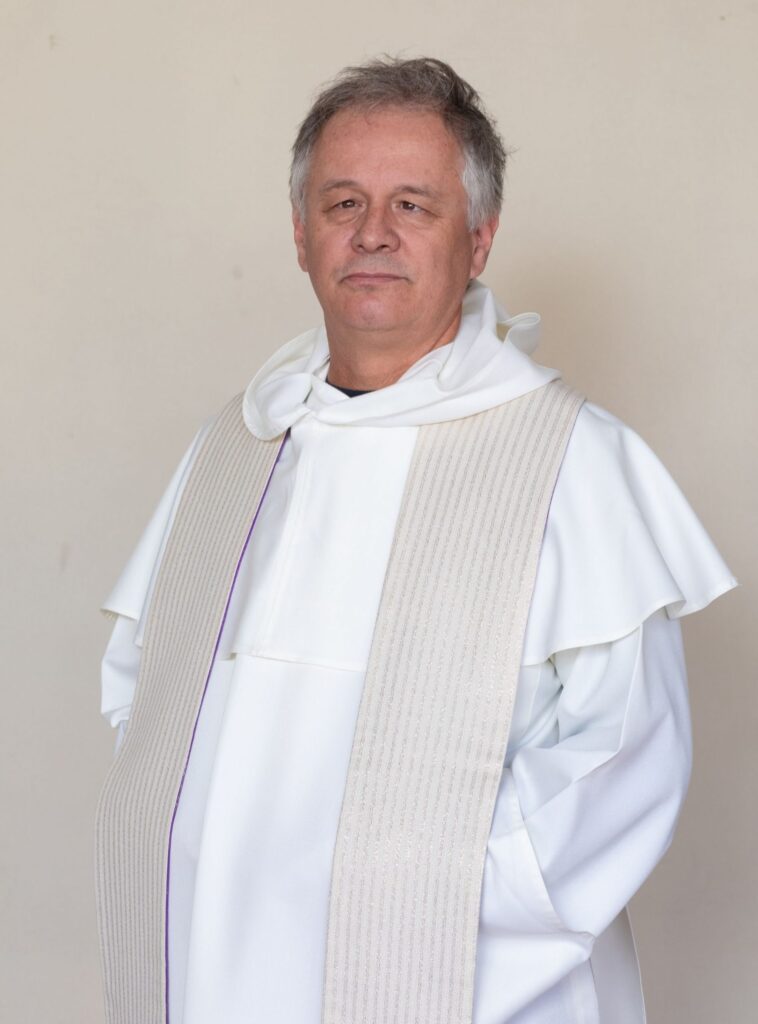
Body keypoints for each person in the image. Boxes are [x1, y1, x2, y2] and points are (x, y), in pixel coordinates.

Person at [95, 57, 737, 1024]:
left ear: (478, 239)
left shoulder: (569, 457)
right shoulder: (234, 447)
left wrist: (437, 898)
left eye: (413, 205)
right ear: (301, 235)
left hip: (465, 973)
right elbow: (139, 693)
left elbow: (623, 754)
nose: (373, 233)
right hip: (214, 957)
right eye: (343, 203)